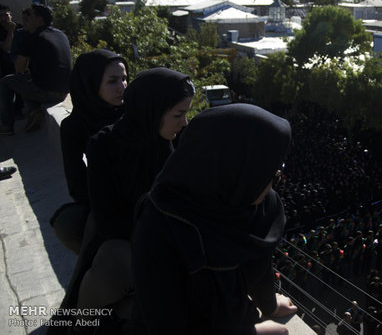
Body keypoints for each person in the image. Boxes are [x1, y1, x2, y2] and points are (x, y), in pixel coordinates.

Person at [48, 67, 194, 335]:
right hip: (126, 240)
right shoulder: (104, 145)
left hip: (164, 245)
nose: (184, 122)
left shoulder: (177, 142)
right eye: (178, 115)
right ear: (152, 111)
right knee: (113, 264)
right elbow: (107, 219)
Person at [131, 103, 297, 334]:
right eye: (265, 170)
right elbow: (165, 324)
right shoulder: (160, 223)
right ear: (233, 167)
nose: (272, 182)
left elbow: (260, 262)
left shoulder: (262, 205)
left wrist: (268, 303)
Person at [50, 49, 128, 254]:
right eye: (112, 81)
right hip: (103, 201)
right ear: (91, 83)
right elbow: (76, 181)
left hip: (141, 195)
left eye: (124, 79)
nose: (122, 87)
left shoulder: (131, 114)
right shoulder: (74, 126)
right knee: (70, 223)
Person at [0, 3, 71, 135]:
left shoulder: (32, 37)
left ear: (39, 20)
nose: (25, 21)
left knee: (6, 81)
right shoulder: (61, 34)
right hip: (64, 90)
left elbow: (19, 68)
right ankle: (34, 111)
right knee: (28, 79)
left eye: (29, 17)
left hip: (47, 92)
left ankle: (6, 126)